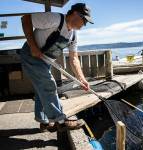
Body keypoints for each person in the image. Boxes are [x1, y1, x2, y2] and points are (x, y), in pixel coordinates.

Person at [19, 3, 93, 132]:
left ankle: (44, 122)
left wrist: (82, 79)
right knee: (48, 85)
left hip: (45, 61)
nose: (84, 25)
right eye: (84, 20)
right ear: (75, 14)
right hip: (31, 55)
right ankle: (60, 121)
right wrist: (33, 46)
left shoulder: (73, 36)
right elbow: (25, 19)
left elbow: (74, 58)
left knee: (41, 89)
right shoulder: (55, 19)